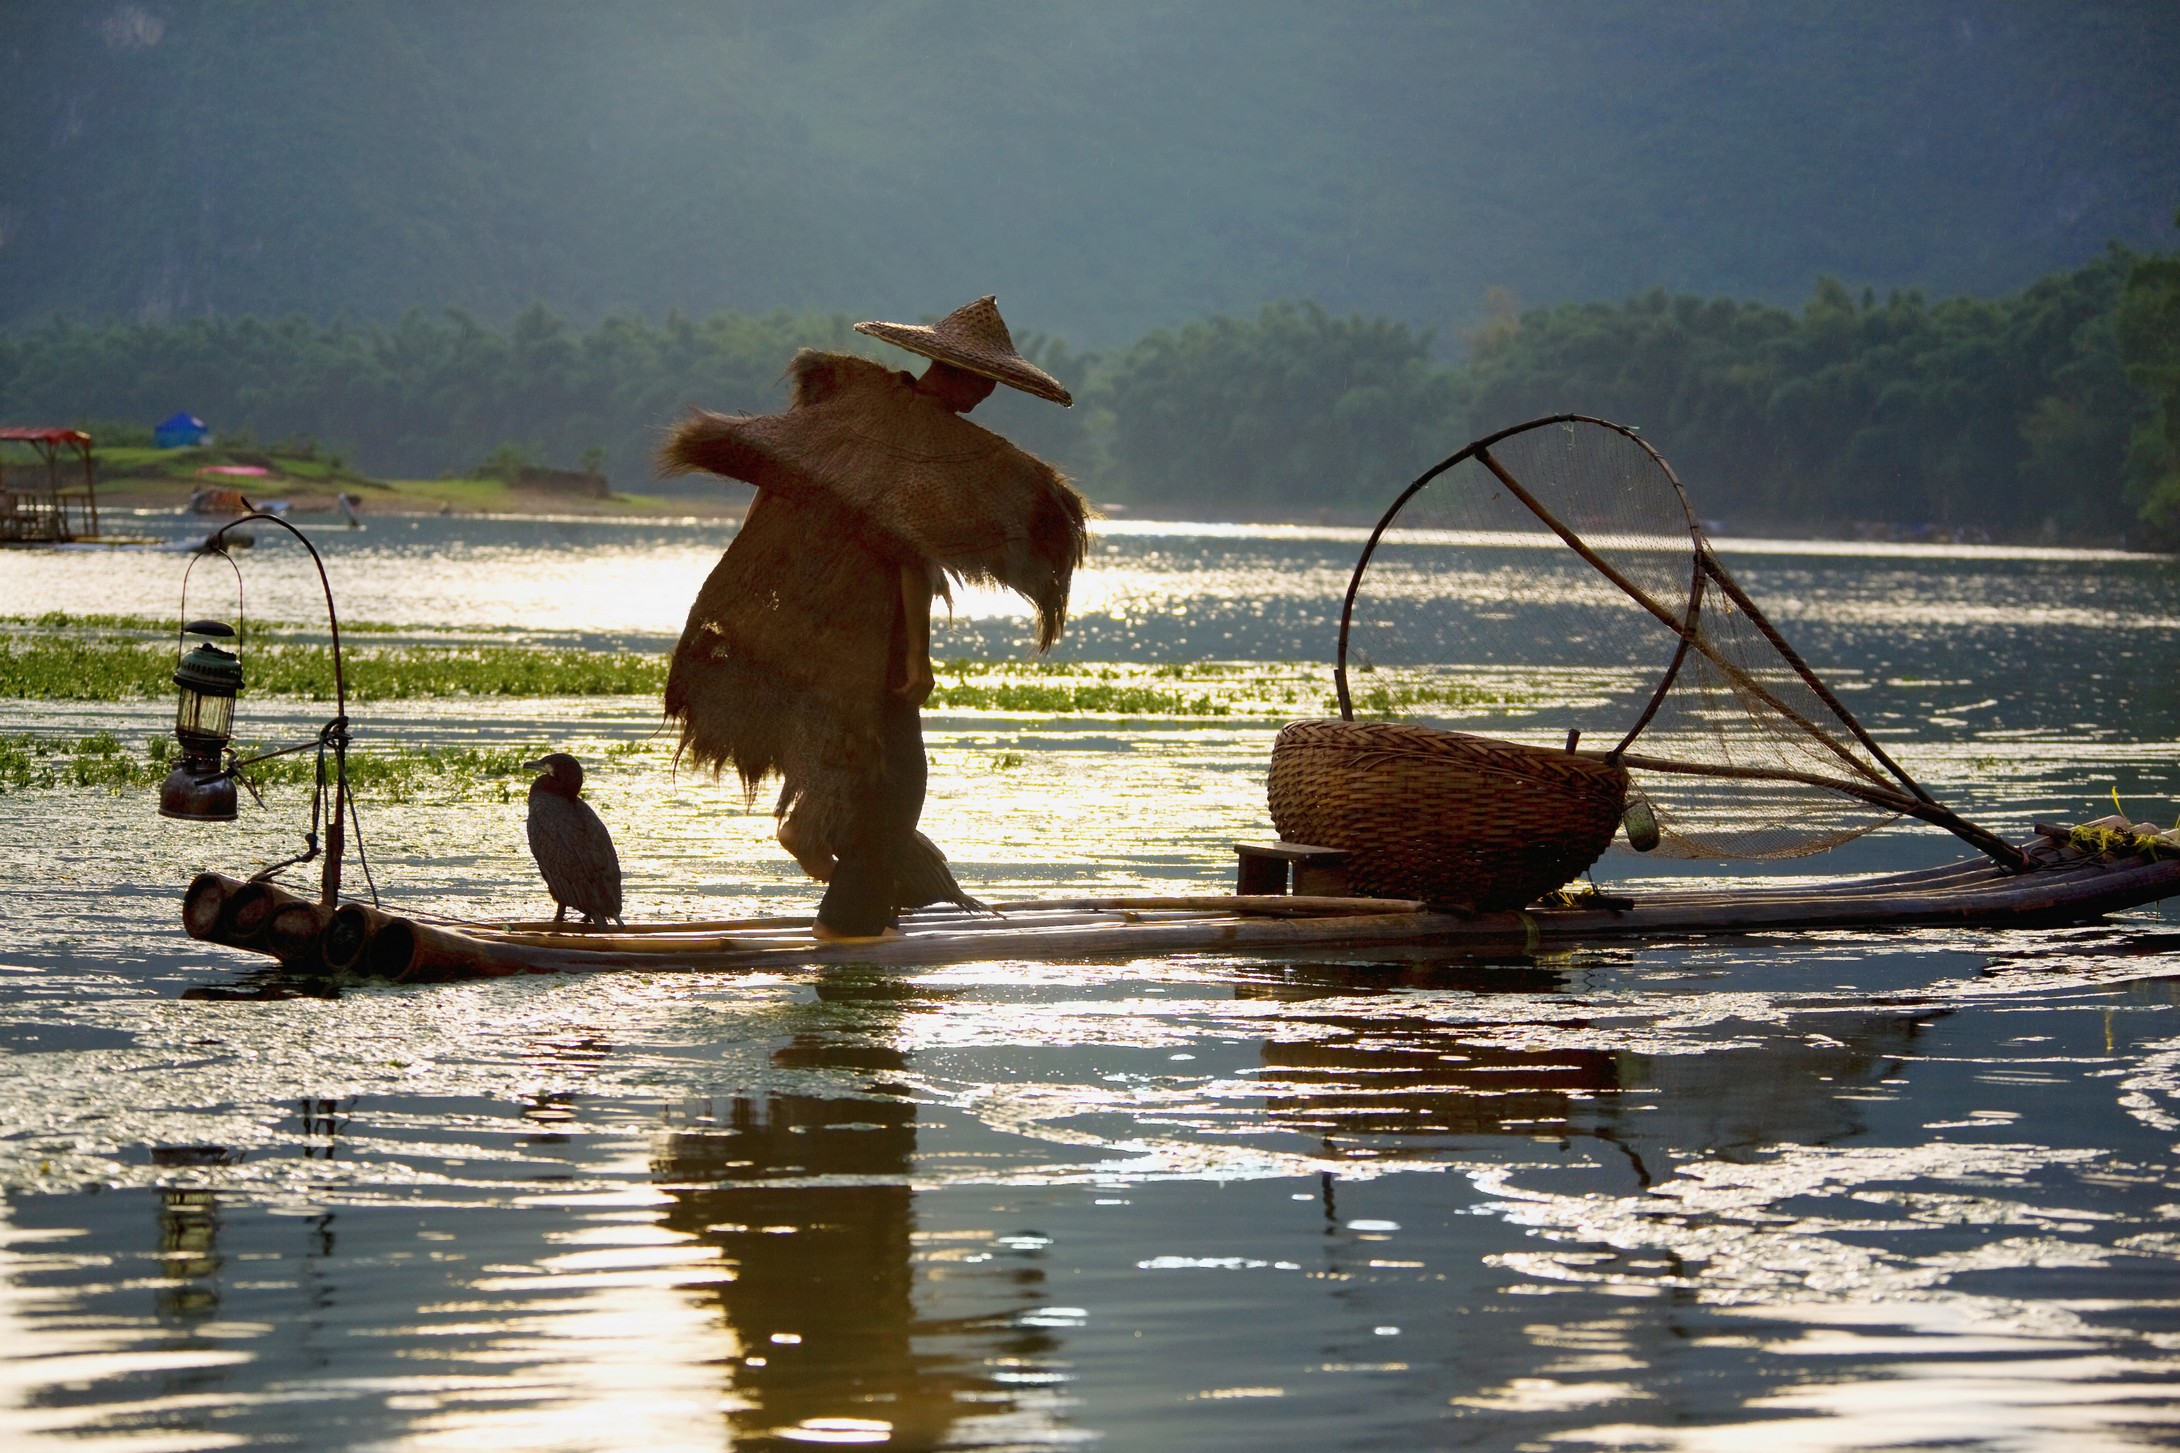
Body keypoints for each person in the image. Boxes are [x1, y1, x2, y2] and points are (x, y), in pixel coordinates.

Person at [660, 297, 1089, 941]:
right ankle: (850, 920)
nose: (984, 395)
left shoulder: (870, 413)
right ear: (955, 372)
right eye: (981, 381)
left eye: (993, 385)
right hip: (868, 632)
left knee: (865, 761)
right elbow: (908, 558)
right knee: (899, 785)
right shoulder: (913, 438)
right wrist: (918, 657)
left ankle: (829, 860)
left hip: (825, 624)